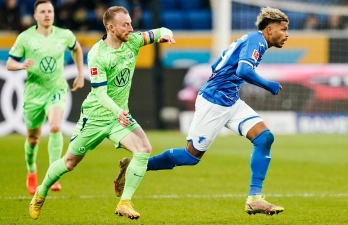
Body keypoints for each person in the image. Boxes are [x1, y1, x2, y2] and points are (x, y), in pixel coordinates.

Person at [115, 6, 288, 216]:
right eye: (283, 29)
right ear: (270, 30)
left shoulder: (252, 40)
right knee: (190, 157)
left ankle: (255, 199)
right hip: (214, 102)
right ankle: (137, 165)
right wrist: (268, 85)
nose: (286, 34)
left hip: (230, 100)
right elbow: (243, 70)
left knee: (264, 138)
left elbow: (218, 64)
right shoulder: (258, 41)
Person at [28, 5, 176, 221]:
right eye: (125, 25)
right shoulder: (98, 54)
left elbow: (160, 30)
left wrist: (167, 35)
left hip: (119, 117)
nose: (131, 28)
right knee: (69, 162)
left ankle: (124, 202)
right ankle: (41, 192)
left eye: (131, 24)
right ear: (111, 27)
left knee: (144, 148)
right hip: (96, 116)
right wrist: (117, 111)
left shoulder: (133, 41)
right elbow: (100, 94)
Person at [6, 0, 84, 195]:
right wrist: (21, 65)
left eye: (50, 11)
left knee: (56, 126)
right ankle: (31, 172)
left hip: (56, 89)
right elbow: (9, 63)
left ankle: (53, 174)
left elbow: (77, 49)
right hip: (34, 94)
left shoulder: (64, 35)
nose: (47, 14)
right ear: (35, 16)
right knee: (33, 139)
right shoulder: (25, 38)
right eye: (43, 11)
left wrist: (80, 74)